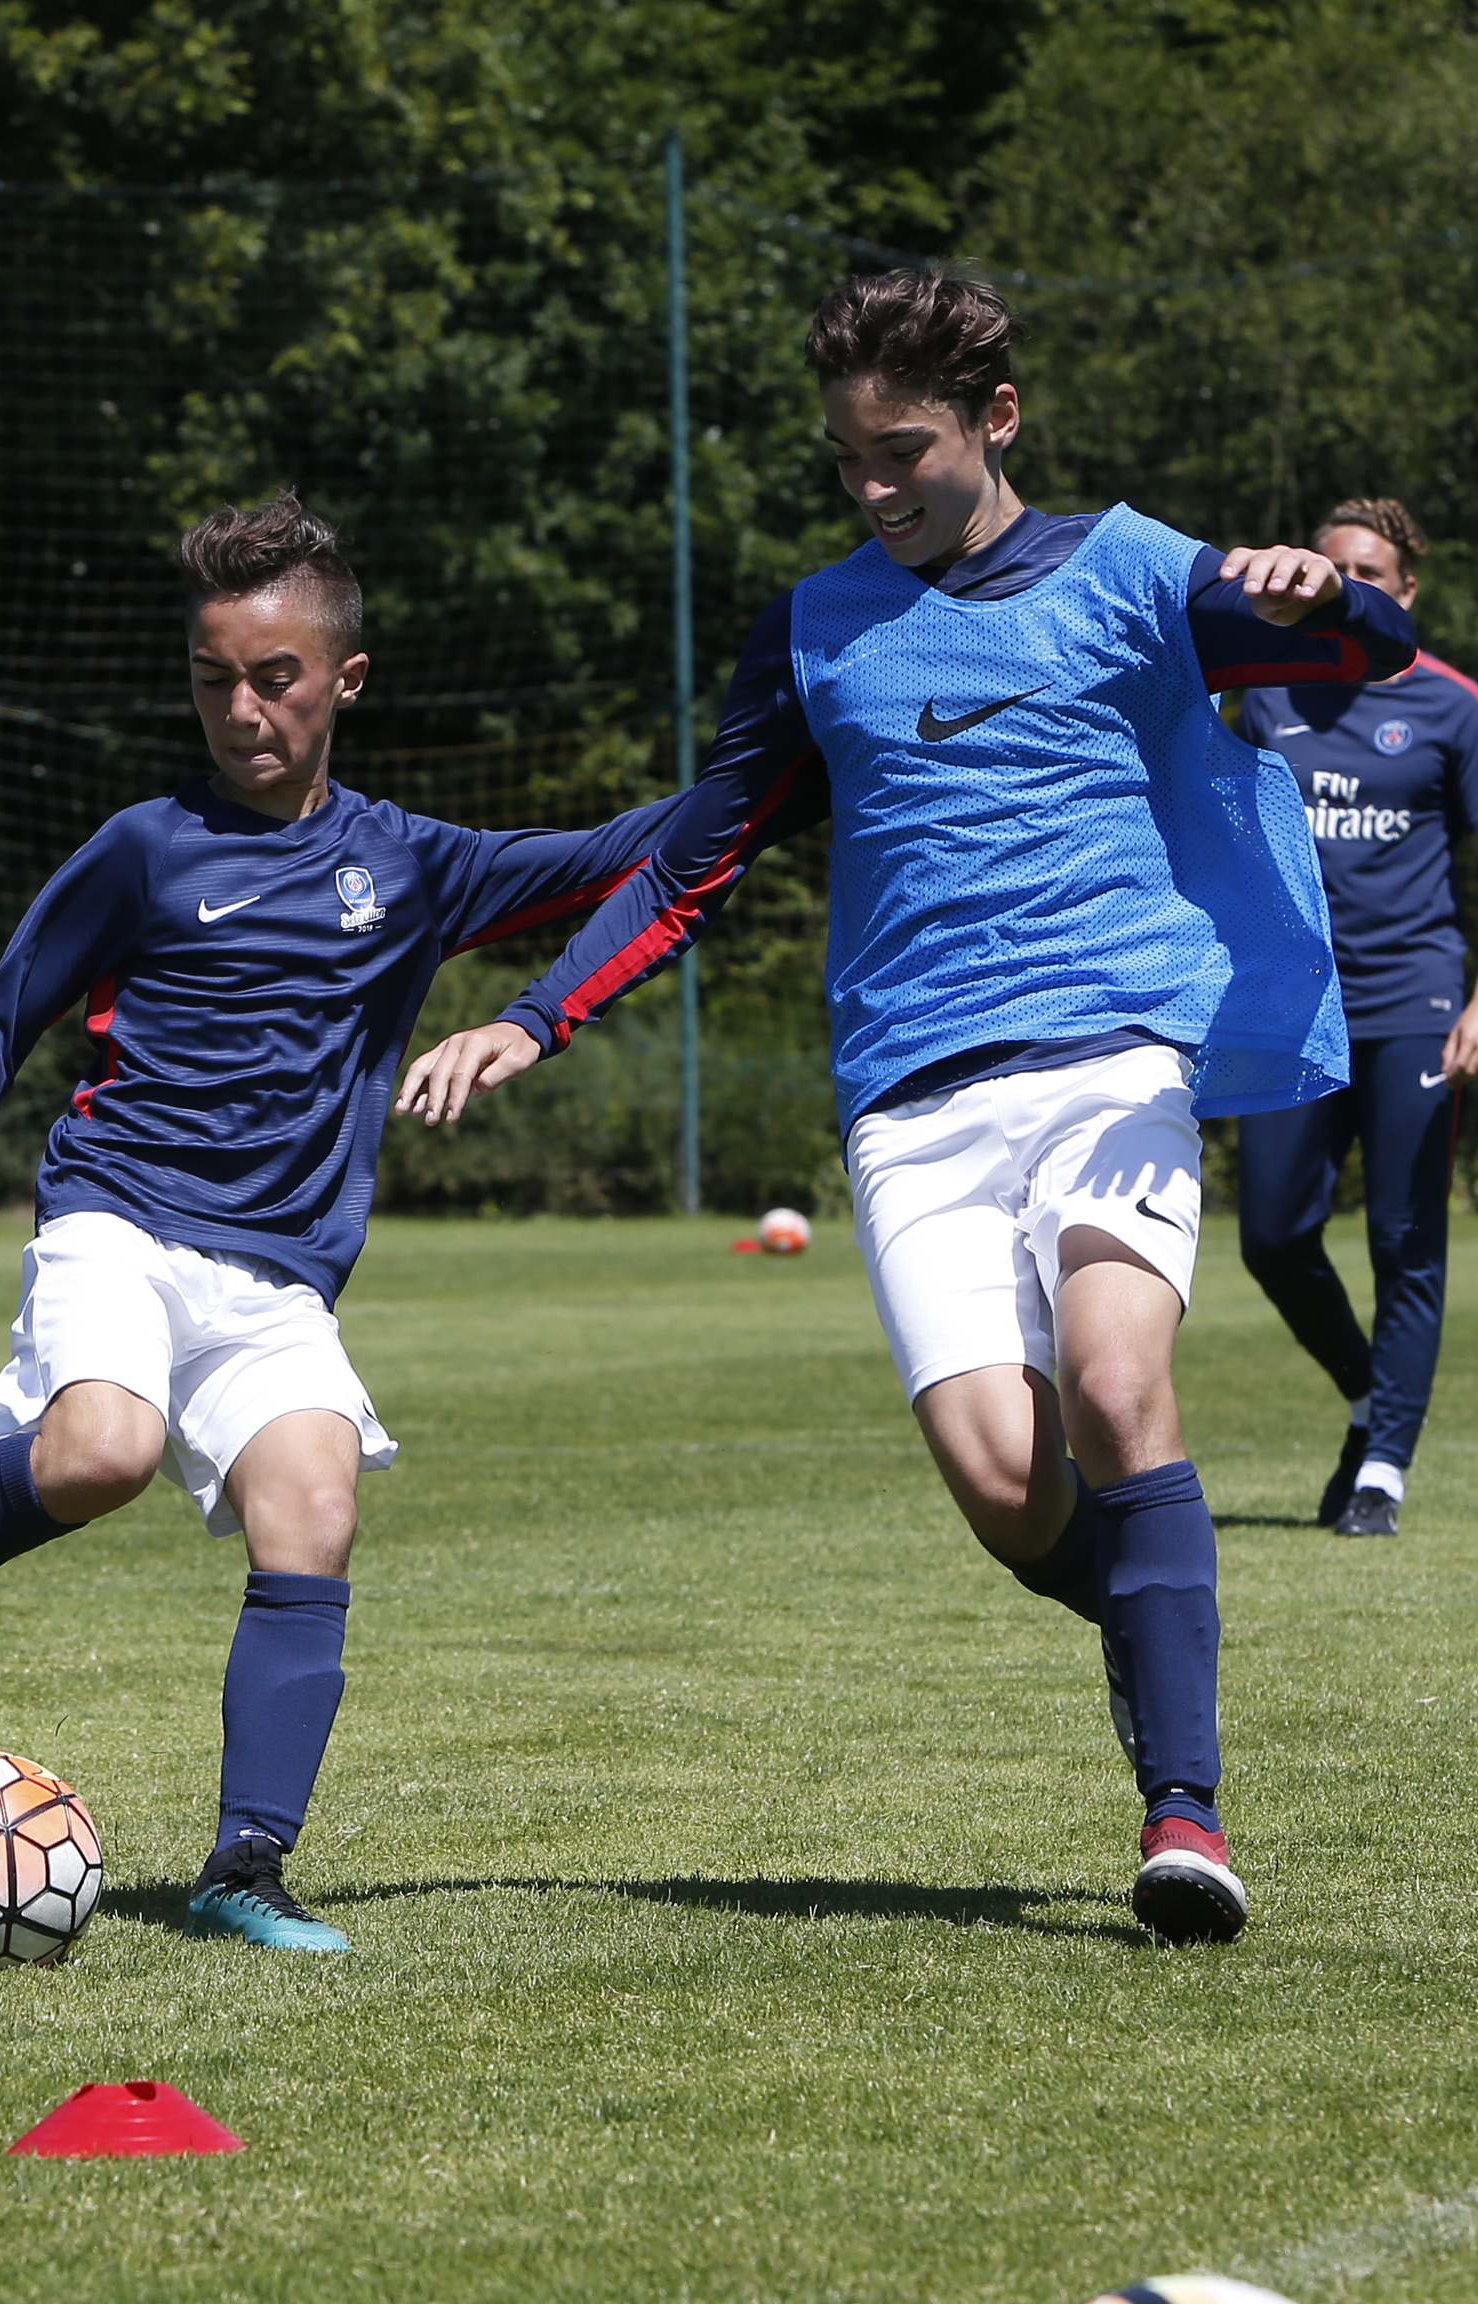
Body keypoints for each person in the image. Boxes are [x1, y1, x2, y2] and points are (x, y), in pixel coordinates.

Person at [399, 271, 1417, 1944]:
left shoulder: (1141, 570)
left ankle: (1185, 1807)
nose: (873, 487)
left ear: (994, 419)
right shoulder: (816, 626)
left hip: (1113, 1051)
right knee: (1009, 1489)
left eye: (904, 451)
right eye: (847, 459)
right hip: (914, 1098)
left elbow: (1361, 650)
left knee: (1113, 1378)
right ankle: (1160, 1608)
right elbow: (693, 858)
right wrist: (532, 1018)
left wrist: (1332, 596)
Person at [0, 492, 685, 1952]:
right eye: (213, 676)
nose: (240, 707)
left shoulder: (409, 865)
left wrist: (792, 763)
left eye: (273, 677)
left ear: (344, 680)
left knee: (315, 1510)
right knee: (103, 1446)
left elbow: (631, 849)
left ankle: (244, 1870)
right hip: (124, 1223)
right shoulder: (145, 849)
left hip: (280, 1280)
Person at [1228, 499, 1478, 1538]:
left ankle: (1384, 1471)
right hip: (1288, 1015)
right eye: (1328, 566)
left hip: (1415, 1005)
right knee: (1270, 1237)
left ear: (1404, 593)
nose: (1342, 582)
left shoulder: (1453, 705)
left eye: (1366, 571)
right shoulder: (1264, 691)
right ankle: (1369, 1397)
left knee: (1406, 1241)